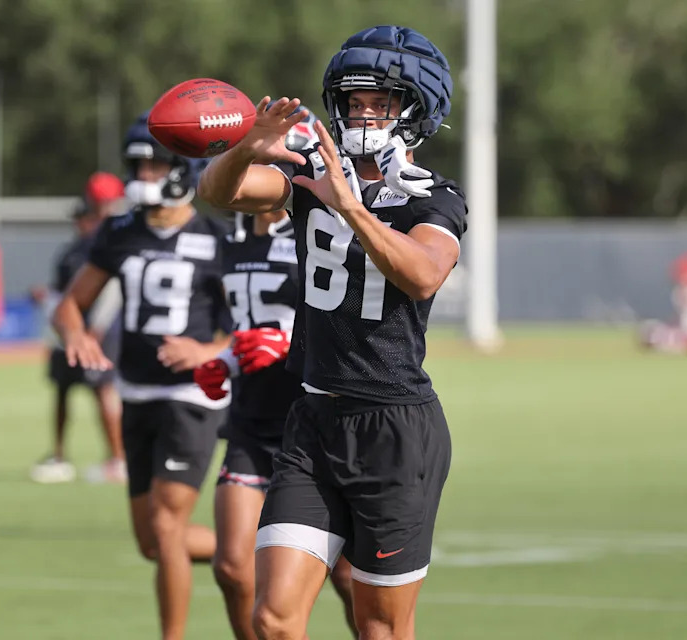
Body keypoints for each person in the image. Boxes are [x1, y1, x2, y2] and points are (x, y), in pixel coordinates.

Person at [197, 25, 466, 640]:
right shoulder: (313, 174)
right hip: (313, 422)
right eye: (353, 101)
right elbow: (218, 193)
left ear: (417, 109)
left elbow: (423, 275)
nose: (362, 114)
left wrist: (352, 207)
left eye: (381, 102)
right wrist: (247, 149)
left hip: (395, 430)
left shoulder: (435, 197)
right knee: (273, 620)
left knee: (379, 628)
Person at [53, 112, 231, 639]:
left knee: (167, 526)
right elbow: (70, 305)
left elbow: (248, 322)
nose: (146, 173)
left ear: (184, 168)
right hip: (136, 392)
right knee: (151, 541)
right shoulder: (120, 230)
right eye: (139, 163)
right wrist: (77, 334)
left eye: (156, 163)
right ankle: (256, 549)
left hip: (192, 396)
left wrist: (208, 350)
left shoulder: (217, 238)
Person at [192, 108, 355, 639]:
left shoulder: (321, 228)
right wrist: (224, 358)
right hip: (252, 420)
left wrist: (283, 344)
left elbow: (349, 321)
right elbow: (246, 325)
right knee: (232, 568)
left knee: (352, 580)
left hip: (314, 419)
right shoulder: (232, 233)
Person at [31, 172, 128, 484]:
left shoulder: (114, 239)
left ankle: (117, 459)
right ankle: (58, 455)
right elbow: (62, 292)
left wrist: (95, 328)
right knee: (62, 390)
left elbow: (113, 287)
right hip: (68, 332)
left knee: (103, 390)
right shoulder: (76, 248)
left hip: (97, 331)